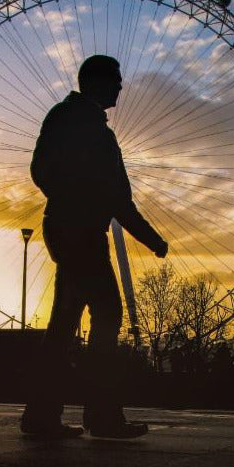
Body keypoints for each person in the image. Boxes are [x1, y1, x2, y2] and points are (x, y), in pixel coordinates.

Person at [20, 54, 168, 440]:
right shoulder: (86, 126)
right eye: (117, 79)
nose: (121, 85)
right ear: (98, 81)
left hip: (67, 228)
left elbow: (43, 171)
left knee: (64, 323)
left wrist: (67, 197)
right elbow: (116, 197)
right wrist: (151, 238)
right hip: (81, 233)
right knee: (107, 315)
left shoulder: (69, 119)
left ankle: (41, 415)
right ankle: (101, 415)